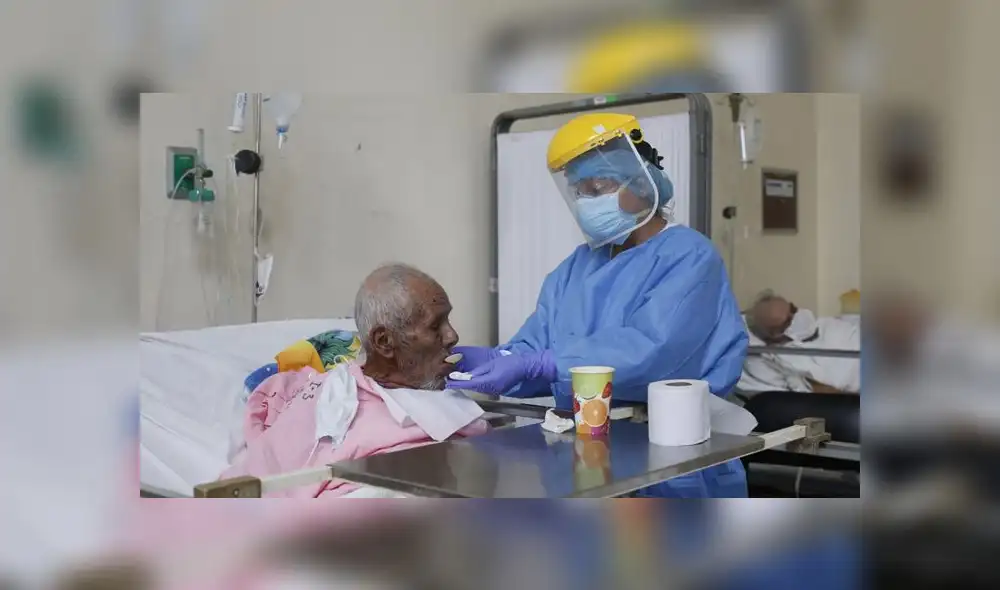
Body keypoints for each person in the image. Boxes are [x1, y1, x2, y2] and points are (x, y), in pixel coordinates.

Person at [446, 113, 749, 498]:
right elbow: (538, 349)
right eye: (579, 191)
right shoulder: (574, 268)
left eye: (598, 186)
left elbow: (651, 349)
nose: (587, 201)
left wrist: (544, 363)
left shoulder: (689, 257)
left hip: (671, 457)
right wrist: (495, 359)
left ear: (639, 182)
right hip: (583, 457)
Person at [221, 263, 489, 498]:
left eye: (448, 320)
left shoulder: (444, 403)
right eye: (435, 325)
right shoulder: (323, 399)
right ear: (385, 342)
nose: (453, 335)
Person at [741, 290, 861, 394]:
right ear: (774, 337)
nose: (796, 316)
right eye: (788, 321)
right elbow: (826, 393)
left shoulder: (826, 324)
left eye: (793, 308)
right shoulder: (790, 360)